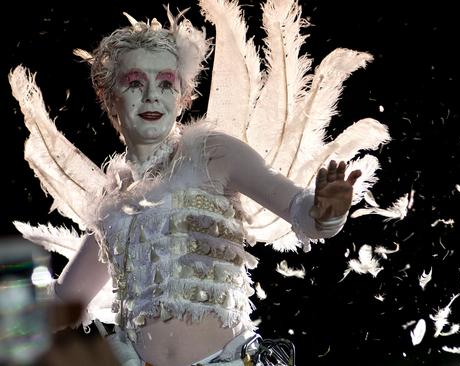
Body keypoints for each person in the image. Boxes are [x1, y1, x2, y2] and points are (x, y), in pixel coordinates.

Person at [9, 1, 389, 365]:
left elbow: (300, 213)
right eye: (135, 82)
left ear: (183, 96)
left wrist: (326, 211)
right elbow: (64, 302)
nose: (152, 95)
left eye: (166, 82)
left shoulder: (213, 155)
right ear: (110, 99)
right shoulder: (111, 206)